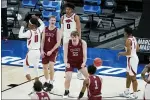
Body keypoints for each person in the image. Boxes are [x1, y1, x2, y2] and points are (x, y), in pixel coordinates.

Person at [18, 15, 45, 82]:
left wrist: (22, 27)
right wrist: (38, 18)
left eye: (29, 23)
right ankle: (37, 84)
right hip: (37, 52)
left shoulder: (29, 32)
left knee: (25, 67)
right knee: (36, 68)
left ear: (33, 25)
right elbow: (43, 24)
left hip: (31, 52)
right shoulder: (39, 30)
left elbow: (20, 35)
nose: (28, 24)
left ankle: (31, 83)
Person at [63, 31, 89, 98]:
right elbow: (65, 56)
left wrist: (84, 63)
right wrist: (66, 63)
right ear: (71, 37)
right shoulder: (67, 43)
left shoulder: (83, 43)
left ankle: (90, 91)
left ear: (78, 37)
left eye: (75, 37)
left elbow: (85, 56)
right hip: (70, 62)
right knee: (68, 77)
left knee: (89, 78)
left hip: (80, 62)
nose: (74, 38)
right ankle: (66, 91)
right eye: (72, 37)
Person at [61, 2, 83, 80]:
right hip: (66, 38)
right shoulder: (63, 17)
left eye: (69, 9)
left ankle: (79, 73)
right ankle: (67, 72)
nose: (67, 10)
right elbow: (62, 29)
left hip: (74, 37)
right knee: (66, 55)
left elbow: (79, 28)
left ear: (72, 10)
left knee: (78, 55)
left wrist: (79, 38)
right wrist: (60, 38)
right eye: (66, 9)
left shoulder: (75, 17)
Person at [41, 16, 61, 91]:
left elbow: (58, 43)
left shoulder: (57, 30)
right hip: (45, 50)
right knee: (45, 67)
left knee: (51, 65)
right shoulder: (45, 29)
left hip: (53, 51)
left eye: (54, 20)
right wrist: (42, 50)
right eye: (52, 20)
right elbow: (42, 41)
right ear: (49, 21)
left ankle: (51, 82)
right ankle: (46, 81)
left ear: (55, 22)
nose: (53, 21)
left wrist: (51, 51)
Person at [118, 27, 139, 99]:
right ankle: (127, 91)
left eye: (124, 32)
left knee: (133, 78)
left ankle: (135, 95)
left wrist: (121, 53)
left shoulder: (128, 41)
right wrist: (133, 51)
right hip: (132, 58)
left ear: (126, 33)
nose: (123, 33)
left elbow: (128, 53)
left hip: (132, 59)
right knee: (128, 75)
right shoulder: (134, 38)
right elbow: (138, 49)